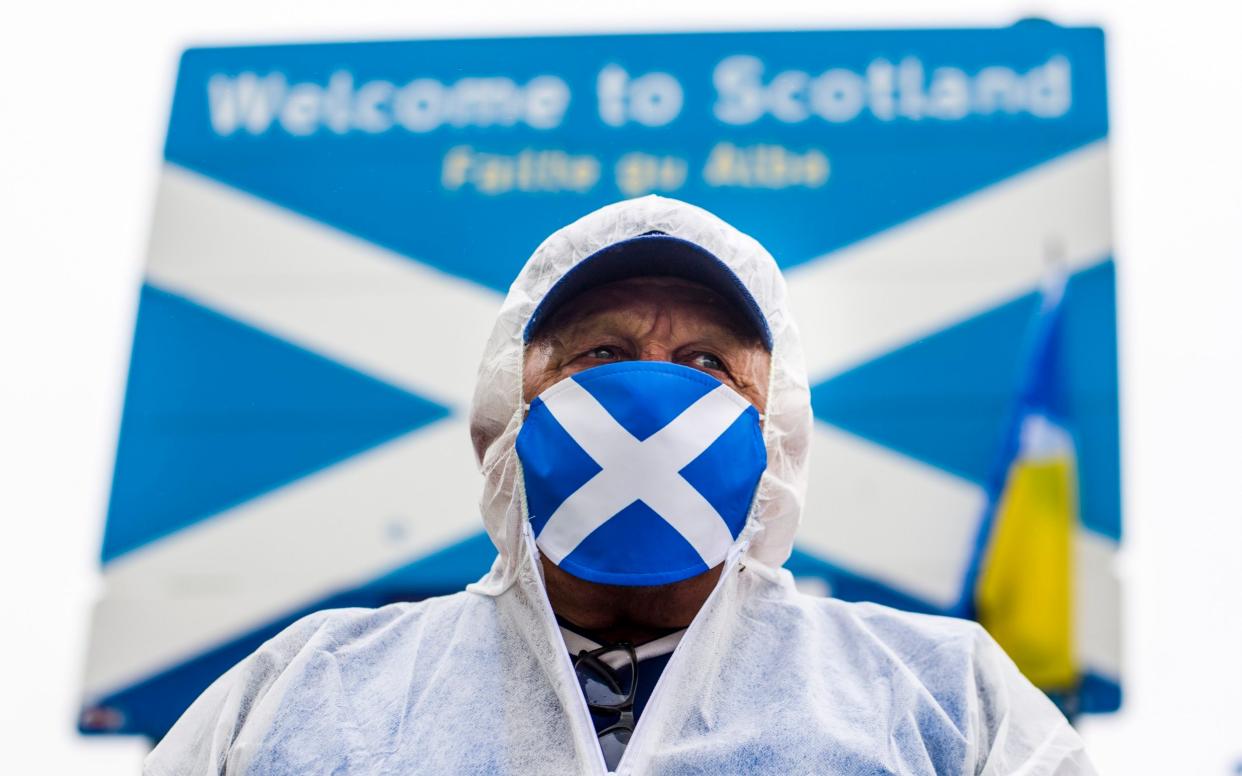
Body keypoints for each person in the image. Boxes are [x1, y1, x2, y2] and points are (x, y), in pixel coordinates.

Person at [145, 196, 1096, 775]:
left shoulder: (938, 697)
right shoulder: (311, 691)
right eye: (600, 354)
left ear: (779, 424)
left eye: (707, 363)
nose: (651, 397)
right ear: (508, 408)